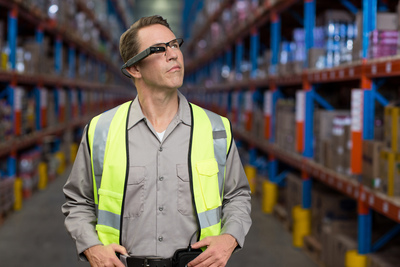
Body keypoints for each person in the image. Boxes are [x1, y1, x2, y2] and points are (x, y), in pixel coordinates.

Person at [62, 15, 251, 267]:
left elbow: (237, 194)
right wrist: (92, 247)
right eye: (158, 49)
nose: (173, 54)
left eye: (174, 45)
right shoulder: (101, 131)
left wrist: (230, 238)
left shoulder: (216, 128)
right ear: (134, 69)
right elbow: (78, 201)